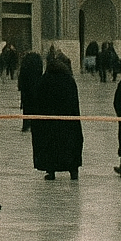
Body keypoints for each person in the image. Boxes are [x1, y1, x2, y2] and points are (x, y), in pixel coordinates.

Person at [31, 51, 83, 180]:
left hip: (49, 123)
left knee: (50, 147)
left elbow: (37, 102)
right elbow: (74, 102)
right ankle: (73, 170)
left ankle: (51, 171)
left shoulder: (44, 80)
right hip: (67, 122)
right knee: (69, 146)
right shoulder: (68, 80)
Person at [17, 49, 43, 133]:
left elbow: (21, 76)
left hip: (26, 90)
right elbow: (40, 73)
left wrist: (20, 87)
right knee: (35, 107)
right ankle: (34, 123)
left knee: (26, 107)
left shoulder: (25, 63)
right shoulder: (38, 61)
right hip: (35, 88)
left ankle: (26, 124)